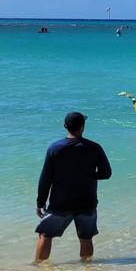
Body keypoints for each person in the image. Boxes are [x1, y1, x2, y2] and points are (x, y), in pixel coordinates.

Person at [35, 112, 112, 262]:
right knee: (85, 237)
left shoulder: (54, 149)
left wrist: (40, 203)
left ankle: (39, 270)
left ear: (65, 127)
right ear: (82, 127)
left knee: (45, 235)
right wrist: (88, 175)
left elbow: (45, 178)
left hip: (60, 203)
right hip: (87, 202)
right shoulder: (94, 147)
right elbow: (106, 173)